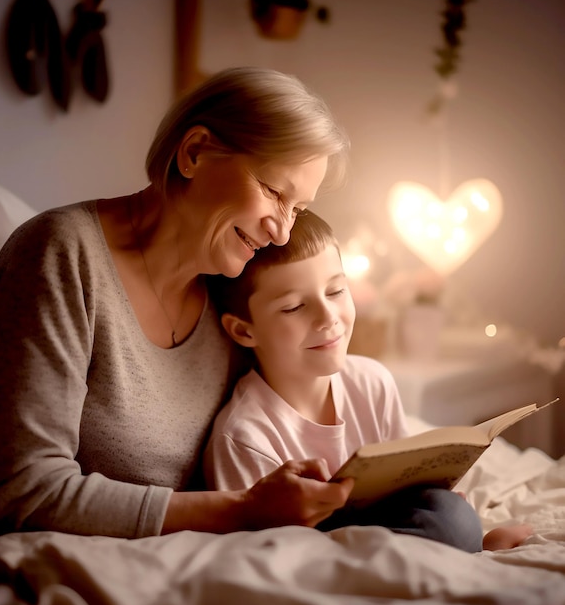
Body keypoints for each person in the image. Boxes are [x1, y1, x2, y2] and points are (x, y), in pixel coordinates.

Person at [0, 66, 355, 540]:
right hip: (63, 561)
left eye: (298, 208)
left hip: (193, 557)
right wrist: (243, 510)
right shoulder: (60, 254)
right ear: (194, 153)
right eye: (274, 192)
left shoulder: (229, 290)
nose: (282, 231)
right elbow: (26, 490)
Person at [203, 210, 533, 552]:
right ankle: (463, 550)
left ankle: (464, 544)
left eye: (336, 291)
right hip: (312, 550)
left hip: (381, 526)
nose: (328, 318)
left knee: (449, 512)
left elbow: (407, 486)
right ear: (244, 330)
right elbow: (253, 549)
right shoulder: (244, 437)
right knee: (449, 525)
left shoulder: (372, 381)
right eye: (294, 307)